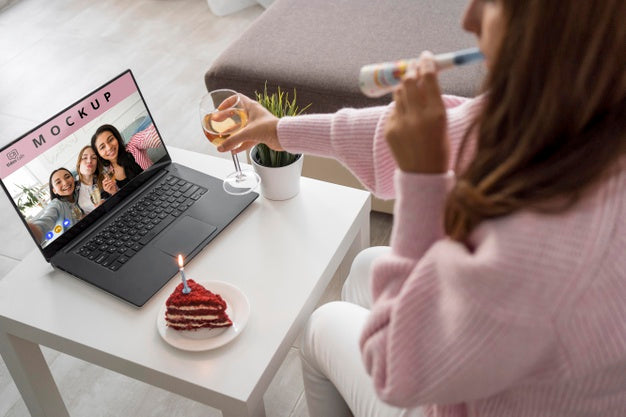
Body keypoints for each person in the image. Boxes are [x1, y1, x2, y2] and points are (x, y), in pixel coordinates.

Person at [217, 0, 626, 415]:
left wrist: (422, 181)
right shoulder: (569, 111)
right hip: (509, 364)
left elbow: (394, 368)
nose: (467, 19)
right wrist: (276, 129)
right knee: (364, 269)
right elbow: (421, 131)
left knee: (321, 325)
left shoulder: (545, 247)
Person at [91, 123, 160, 190]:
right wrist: (113, 192)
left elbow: (150, 136)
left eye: (111, 139)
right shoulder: (109, 173)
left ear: (117, 138)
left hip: (156, 188)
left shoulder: (133, 145)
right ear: (99, 154)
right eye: (102, 147)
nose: (109, 147)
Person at [28, 168, 84, 246]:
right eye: (58, 182)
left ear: (73, 178)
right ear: (54, 190)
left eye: (67, 177)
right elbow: (46, 221)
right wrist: (36, 230)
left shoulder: (79, 193)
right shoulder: (56, 204)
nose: (65, 183)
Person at [75, 145, 112, 214]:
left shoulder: (104, 180)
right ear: (79, 162)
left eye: (94, 158)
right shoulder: (73, 187)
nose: (89, 161)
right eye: (85, 157)